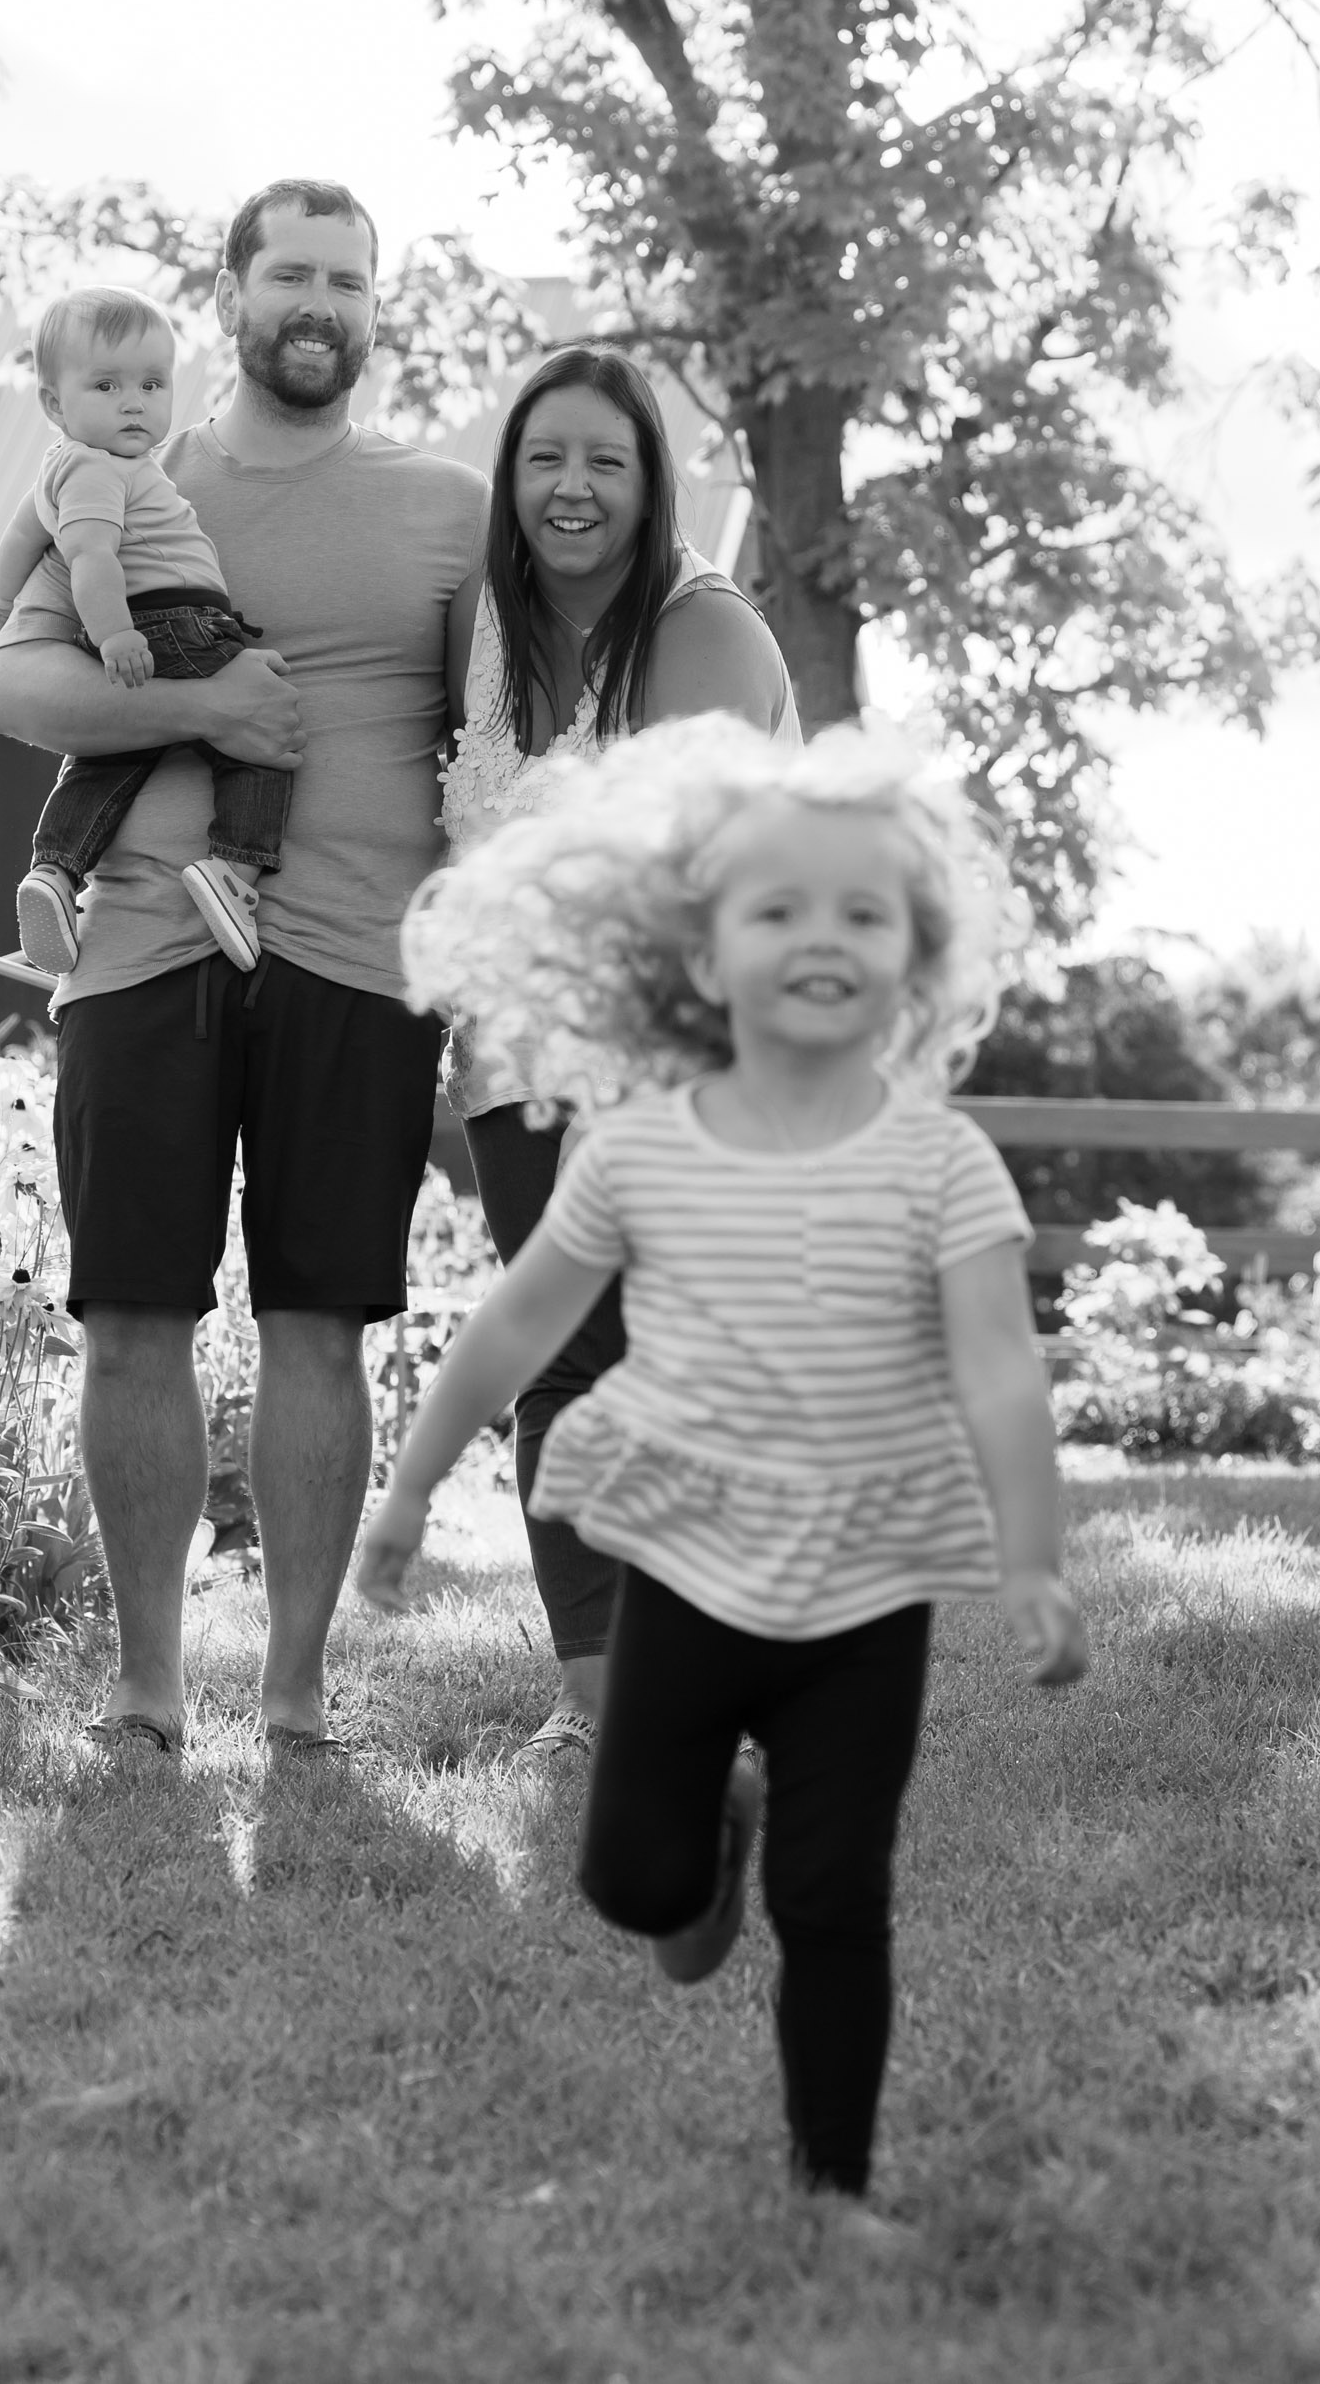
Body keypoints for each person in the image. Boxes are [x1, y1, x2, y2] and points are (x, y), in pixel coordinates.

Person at [357, 713, 1088, 2208]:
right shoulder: (638, 1148)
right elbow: (515, 1327)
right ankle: (713, 1825)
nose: (821, 937)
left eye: (862, 913)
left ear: (914, 953)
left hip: (863, 1601)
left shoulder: (936, 1160)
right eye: (777, 909)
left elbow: (998, 1368)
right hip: (682, 1586)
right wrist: (412, 1486)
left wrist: (1028, 1559)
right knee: (635, 1882)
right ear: (702, 957)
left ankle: (832, 2190)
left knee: (834, 1900)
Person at [0, 179, 490, 1755]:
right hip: (139, 951)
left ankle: (291, 1685)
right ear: (233, 292)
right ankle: (145, 1686)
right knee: (132, 1313)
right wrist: (204, 715)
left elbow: (511, 726)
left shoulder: (445, 507)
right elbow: (12, 683)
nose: (319, 304)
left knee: (317, 1322)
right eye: (292, 276)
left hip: (355, 961)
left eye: (348, 278)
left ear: (373, 304)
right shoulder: (118, 462)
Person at [442, 344, 799, 1762]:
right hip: (513, 1064)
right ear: (509, 483)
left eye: (604, 459)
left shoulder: (701, 634)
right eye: (544, 459)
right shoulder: (483, 634)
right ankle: (594, 1700)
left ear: (650, 485)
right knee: (565, 1367)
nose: (571, 487)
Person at [0, 287, 290, 979]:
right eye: (107, 385)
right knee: (262, 735)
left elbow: (19, 535)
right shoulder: (100, 469)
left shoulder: (58, 470)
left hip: (147, 624)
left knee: (110, 758)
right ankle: (234, 871)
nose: (134, 402)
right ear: (54, 405)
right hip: (178, 620)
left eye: (152, 384)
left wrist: (5, 596)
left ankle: (56, 872)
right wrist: (116, 632)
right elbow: (93, 557)